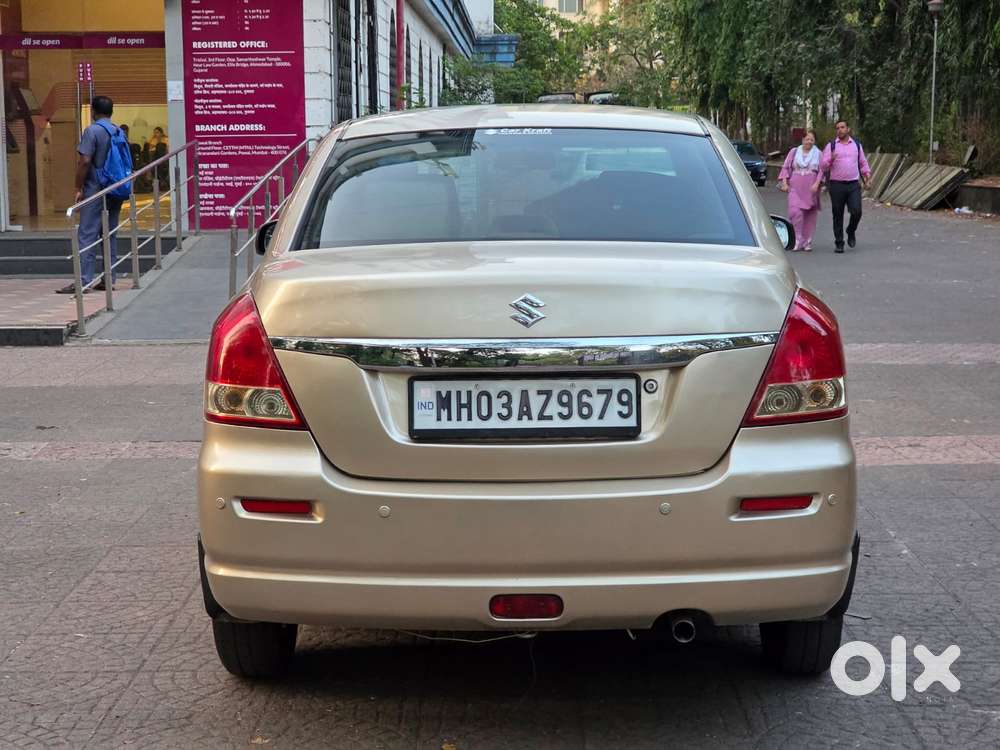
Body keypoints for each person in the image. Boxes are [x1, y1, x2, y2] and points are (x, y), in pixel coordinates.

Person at [57, 96, 124, 294]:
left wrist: (78, 187)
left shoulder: (92, 131)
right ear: (111, 111)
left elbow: (85, 161)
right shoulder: (118, 131)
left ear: (94, 111)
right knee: (109, 233)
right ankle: (109, 279)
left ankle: (84, 280)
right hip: (115, 188)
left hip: (96, 189)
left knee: (87, 234)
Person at [820, 119, 871, 253]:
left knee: (857, 211)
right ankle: (839, 242)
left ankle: (851, 230)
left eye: (842, 127)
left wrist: (867, 176)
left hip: (853, 184)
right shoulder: (831, 146)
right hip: (836, 185)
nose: (840, 130)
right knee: (838, 214)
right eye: (837, 128)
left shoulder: (856, 145)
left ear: (848, 129)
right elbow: (823, 166)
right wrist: (830, 158)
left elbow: (863, 163)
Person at [778, 129, 823, 252]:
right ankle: (797, 239)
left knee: (810, 216)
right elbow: (786, 167)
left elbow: (822, 171)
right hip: (795, 188)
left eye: (811, 139)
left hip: (811, 189)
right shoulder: (794, 152)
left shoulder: (818, 153)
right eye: (807, 139)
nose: (809, 141)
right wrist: (784, 182)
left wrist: (817, 184)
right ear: (802, 140)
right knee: (795, 213)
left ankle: (807, 241)